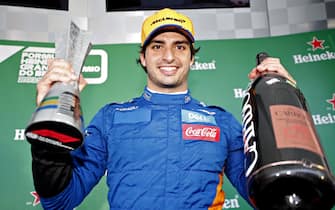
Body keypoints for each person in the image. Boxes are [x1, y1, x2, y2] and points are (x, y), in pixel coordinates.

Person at [30, 8, 296, 210]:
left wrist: (284, 105)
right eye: (157, 46)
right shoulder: (110, 118)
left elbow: (267, 198)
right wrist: (50, 125)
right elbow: (60, 201)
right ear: (143, 57)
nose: (169, 56)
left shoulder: (221, 122)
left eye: (179, 47)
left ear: (192, 57)